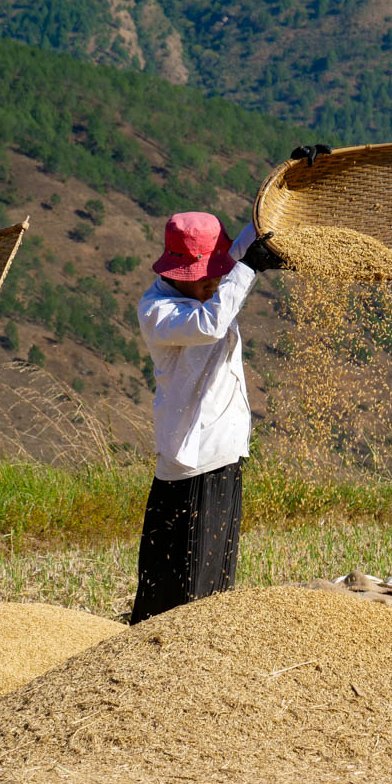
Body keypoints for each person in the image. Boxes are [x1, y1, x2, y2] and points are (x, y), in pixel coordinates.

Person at [130, 210, 285, 624]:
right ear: (178, 274)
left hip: (224, 450)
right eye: (205, 278)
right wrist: (249, 267)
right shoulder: (158, 310)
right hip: (190, 460)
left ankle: (203, 649)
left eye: (217, 276)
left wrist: (295, 176)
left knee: (214, 576)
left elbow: (250, 239)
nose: (214, 284)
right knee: (176, 581)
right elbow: (211, 323)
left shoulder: (212, 282)